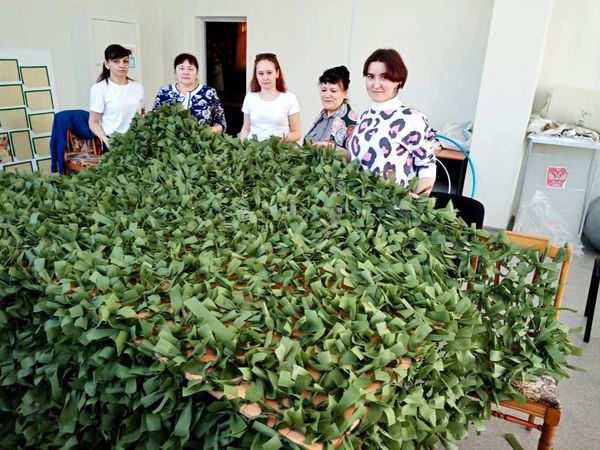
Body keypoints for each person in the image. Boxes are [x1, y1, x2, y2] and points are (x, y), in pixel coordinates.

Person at [348, 48, 436, 197]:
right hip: (359, 204)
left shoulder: (412, 118)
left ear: (398, 80)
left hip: (393, 206)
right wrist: (332, 149)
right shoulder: (364, 116)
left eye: (384, 77)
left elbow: (427, 165)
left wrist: (420, 198)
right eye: (370, 76)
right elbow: (359, 159)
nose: (375, 84)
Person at [89, 44, 145, 151]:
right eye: (116, 61)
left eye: (125, 61)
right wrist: (105, 140)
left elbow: (142, 114)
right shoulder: (100, 89)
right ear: (107, 64)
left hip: (137, 141)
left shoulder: (138, 87)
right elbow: (93, 121)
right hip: (113, 142)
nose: (122, 65)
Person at [153, 53, 226, 133]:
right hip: (169, 140)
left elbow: (220, 124)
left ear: (197, 72)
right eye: (181, 68)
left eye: (190, 69)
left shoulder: (209, 92)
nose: (186, 72)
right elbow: (154, 120)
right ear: (175, 71)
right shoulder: (165, 91)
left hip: (201, 139)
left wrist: (204, 132)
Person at [240, 53, 301, 142]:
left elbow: (296, 133)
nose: (265, 77)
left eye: (269, 73)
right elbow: (246, 129)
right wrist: (242, 145)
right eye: (261, 73)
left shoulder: (289, 98)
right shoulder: (250, 98)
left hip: (280, 149)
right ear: (256, 75)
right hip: (253, 148)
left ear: (277, 73)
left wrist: (279, 142)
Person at [304, 65, 357, 150]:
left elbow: (354, 155)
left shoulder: (353, 124)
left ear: (345, 93)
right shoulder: (320, 118)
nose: (327, 95)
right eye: (323, 90)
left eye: (333, 91)